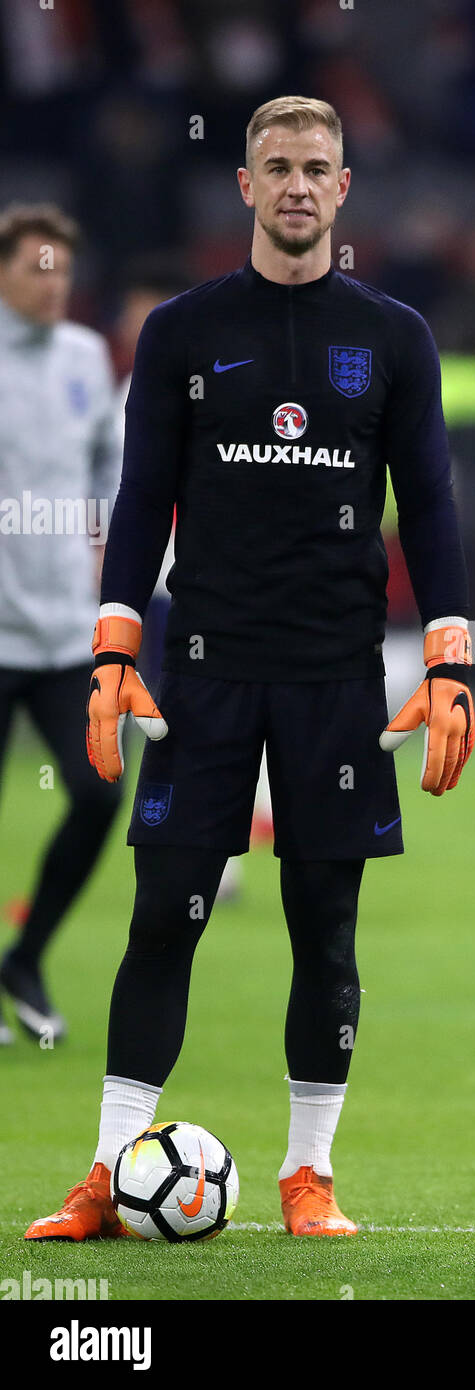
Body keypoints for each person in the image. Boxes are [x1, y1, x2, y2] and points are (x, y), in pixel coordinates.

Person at [25, 95, 474, 1240]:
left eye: (315, 167)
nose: (295, 186)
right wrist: (116, 648)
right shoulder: (181, 331)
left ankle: (307, 1176)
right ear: (242, 184)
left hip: (335, 677)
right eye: (275, 166)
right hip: (206, 675)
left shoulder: (393, 336)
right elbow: (141, 499)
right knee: (163, 919)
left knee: (325, 925)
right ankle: (106, 1170)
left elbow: (426, 501)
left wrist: (451, 653)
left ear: (343, 187)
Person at [0, 203, 122, 1047]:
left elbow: (114, 471)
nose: (54, 285)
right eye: (37, 268)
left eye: (63, 271)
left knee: (99, 790)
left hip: (60, 634)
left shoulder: (84, 357)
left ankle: (27, 956)